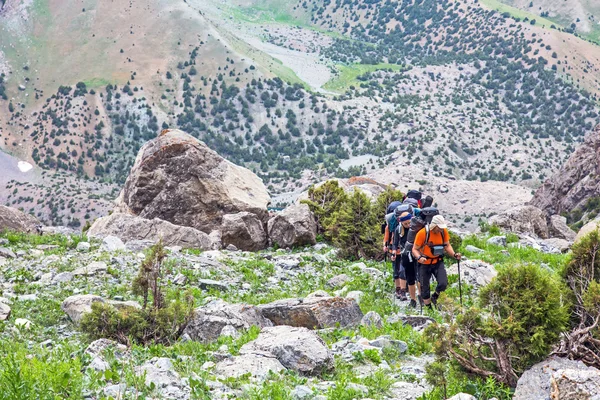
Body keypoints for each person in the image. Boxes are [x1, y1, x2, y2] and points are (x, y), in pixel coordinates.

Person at [411, 215, 461, 309]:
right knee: (424, 288)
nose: (441, 230)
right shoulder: (422, 233)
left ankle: (435, 296)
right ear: (433, 226)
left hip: (438, 261)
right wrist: (419, 257)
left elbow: (447, 245)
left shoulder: (443, 232)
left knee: (443, 283)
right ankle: (429, 308)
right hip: (424, 263)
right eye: (439, 228)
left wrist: (454, 255)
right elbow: (414, 249)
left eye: (442, 228)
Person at [391, 211, 418, 307]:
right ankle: (407, 295)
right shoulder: (398, 229)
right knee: (404, 274)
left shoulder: (415, 228)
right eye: (405, 223)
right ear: (401, 222)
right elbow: (395, 243)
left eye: (409, 222)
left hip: (416, 254)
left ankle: (420, 296)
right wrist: (393, 252)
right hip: (405, 254)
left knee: (417, 276)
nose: (408, 225)